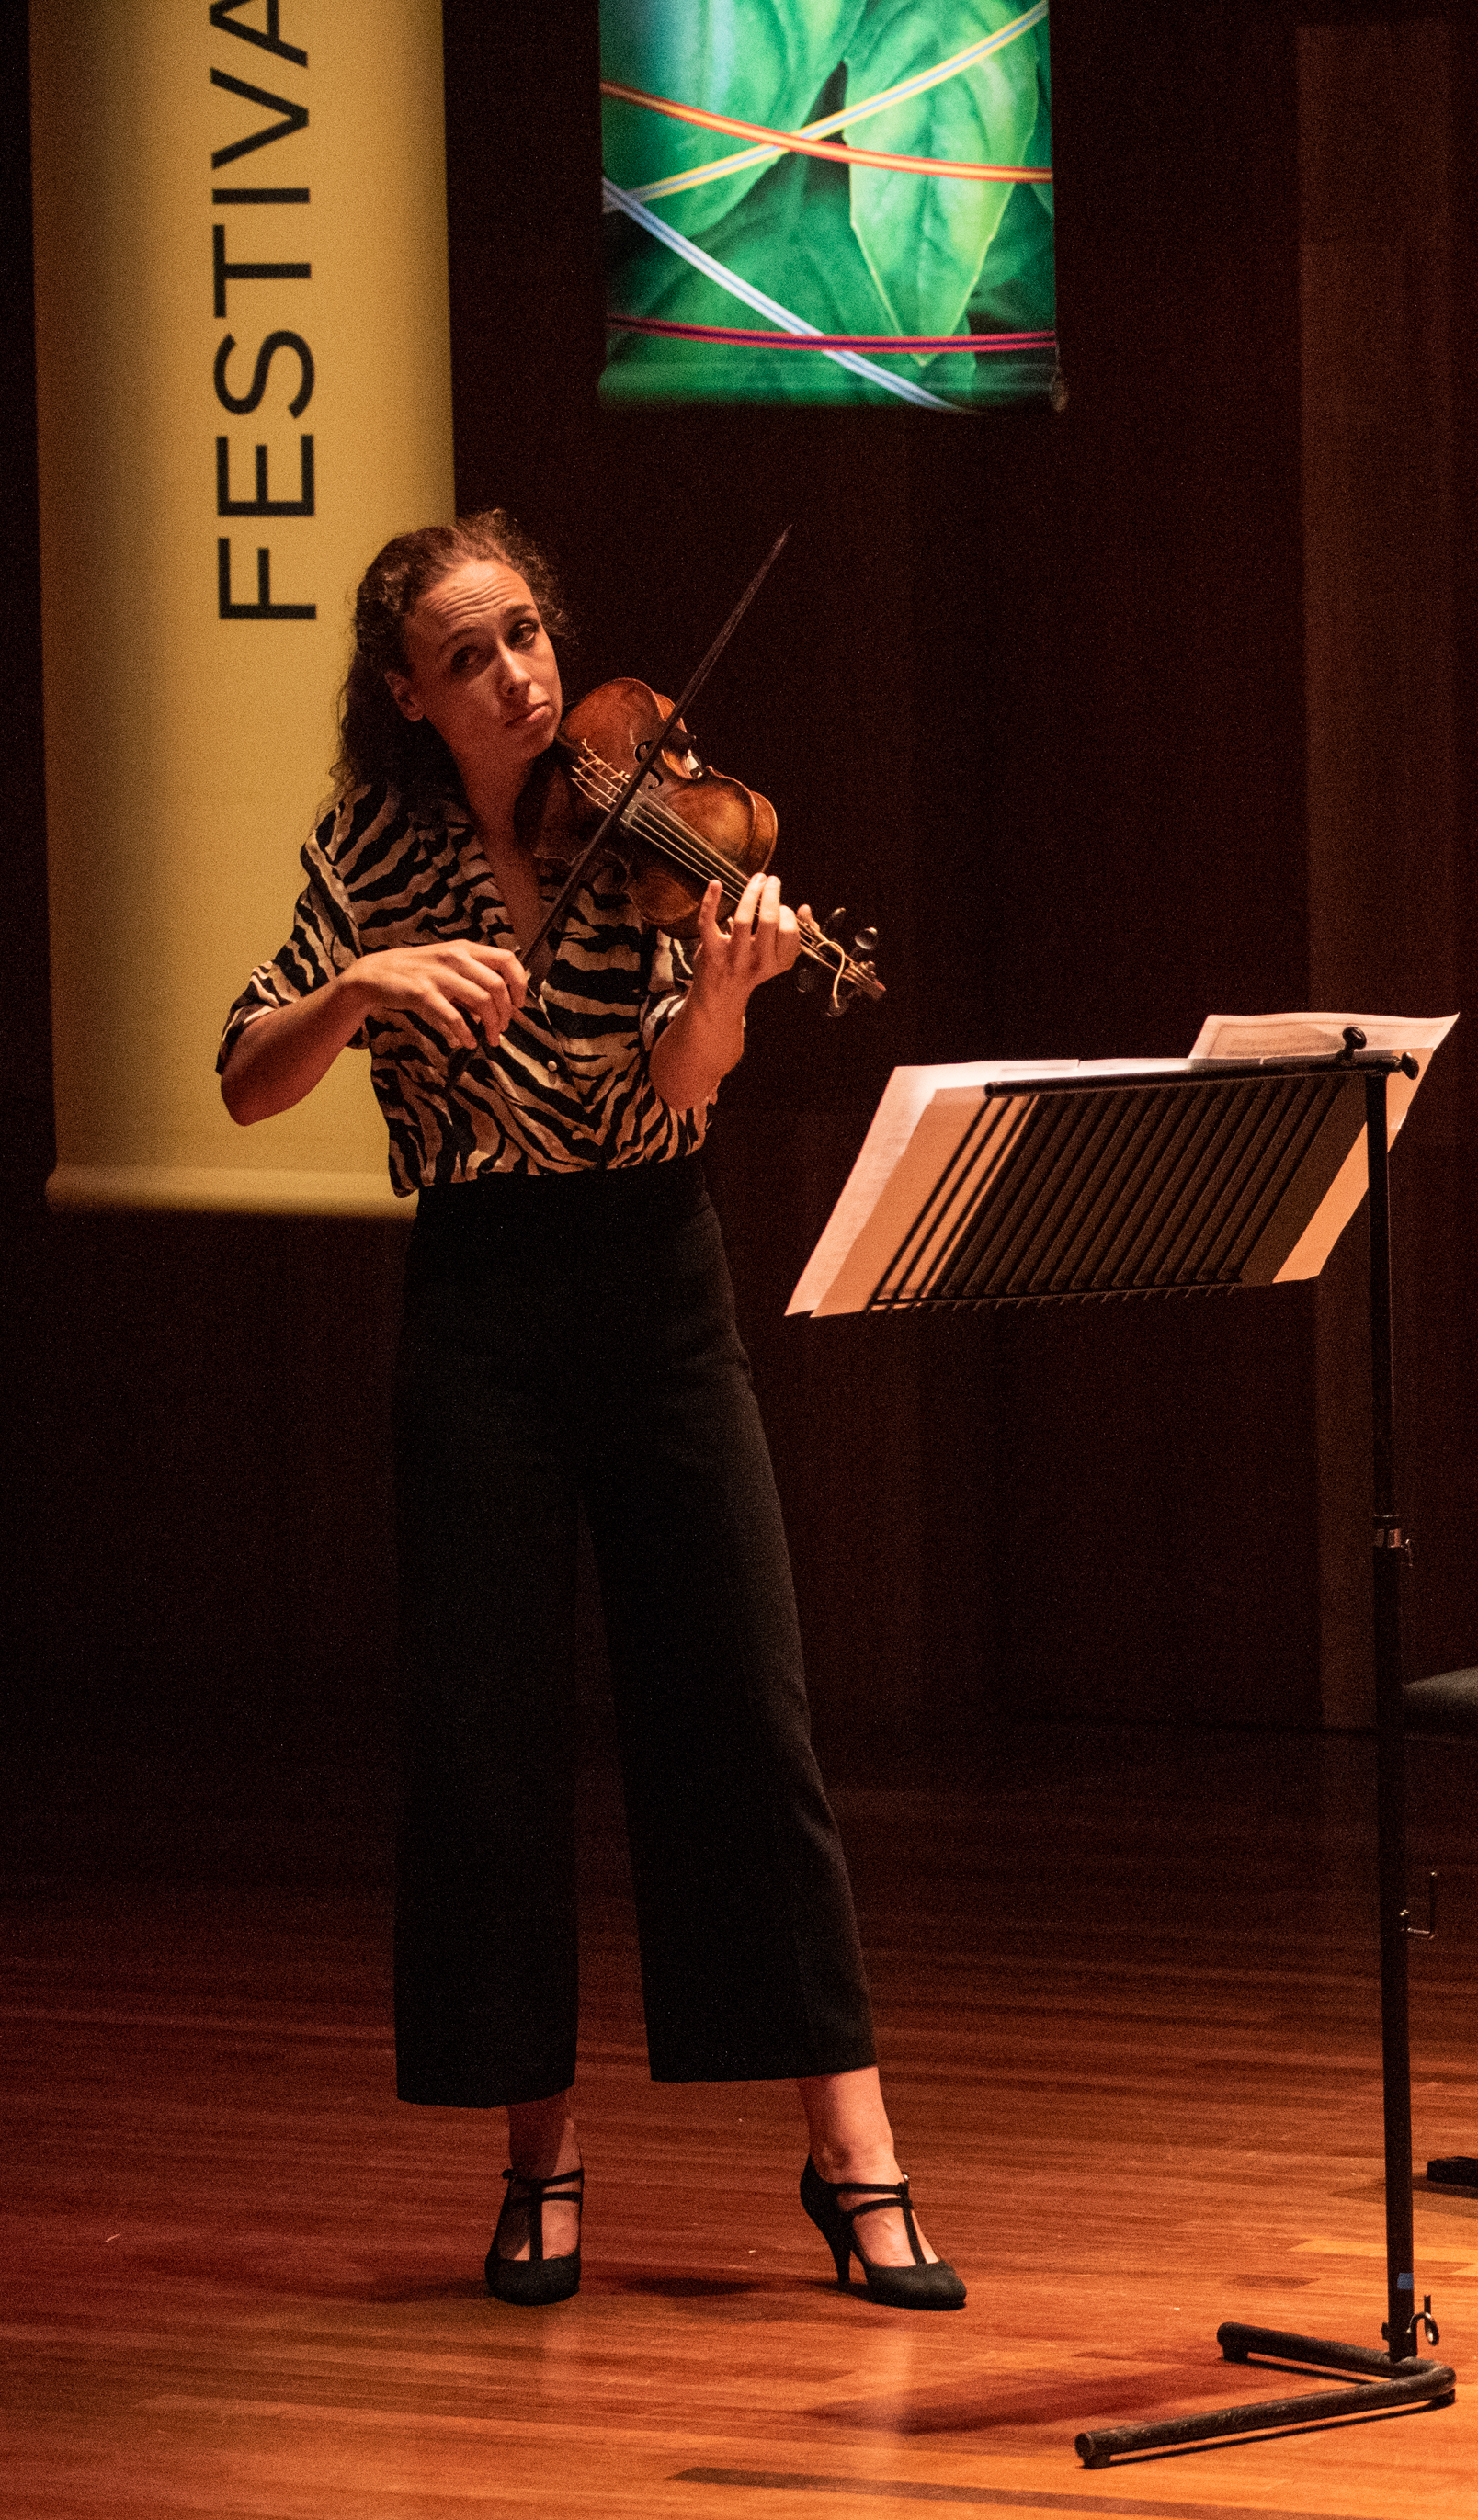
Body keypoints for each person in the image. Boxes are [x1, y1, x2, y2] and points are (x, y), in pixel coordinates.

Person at [216, 514, 961, 2312]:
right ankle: (538, 2160)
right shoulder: (372, 849)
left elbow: (680, 1093)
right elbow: (249, 1072)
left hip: (653, 1279)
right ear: (409, 691)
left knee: (743, 1710)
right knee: (487, 1740)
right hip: (478, 1298)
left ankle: (853, 2152)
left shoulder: (647, 840)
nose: (521, 674)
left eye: (531, 633)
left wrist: (723, 1012)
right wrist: (361, 982)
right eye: (470, 653)